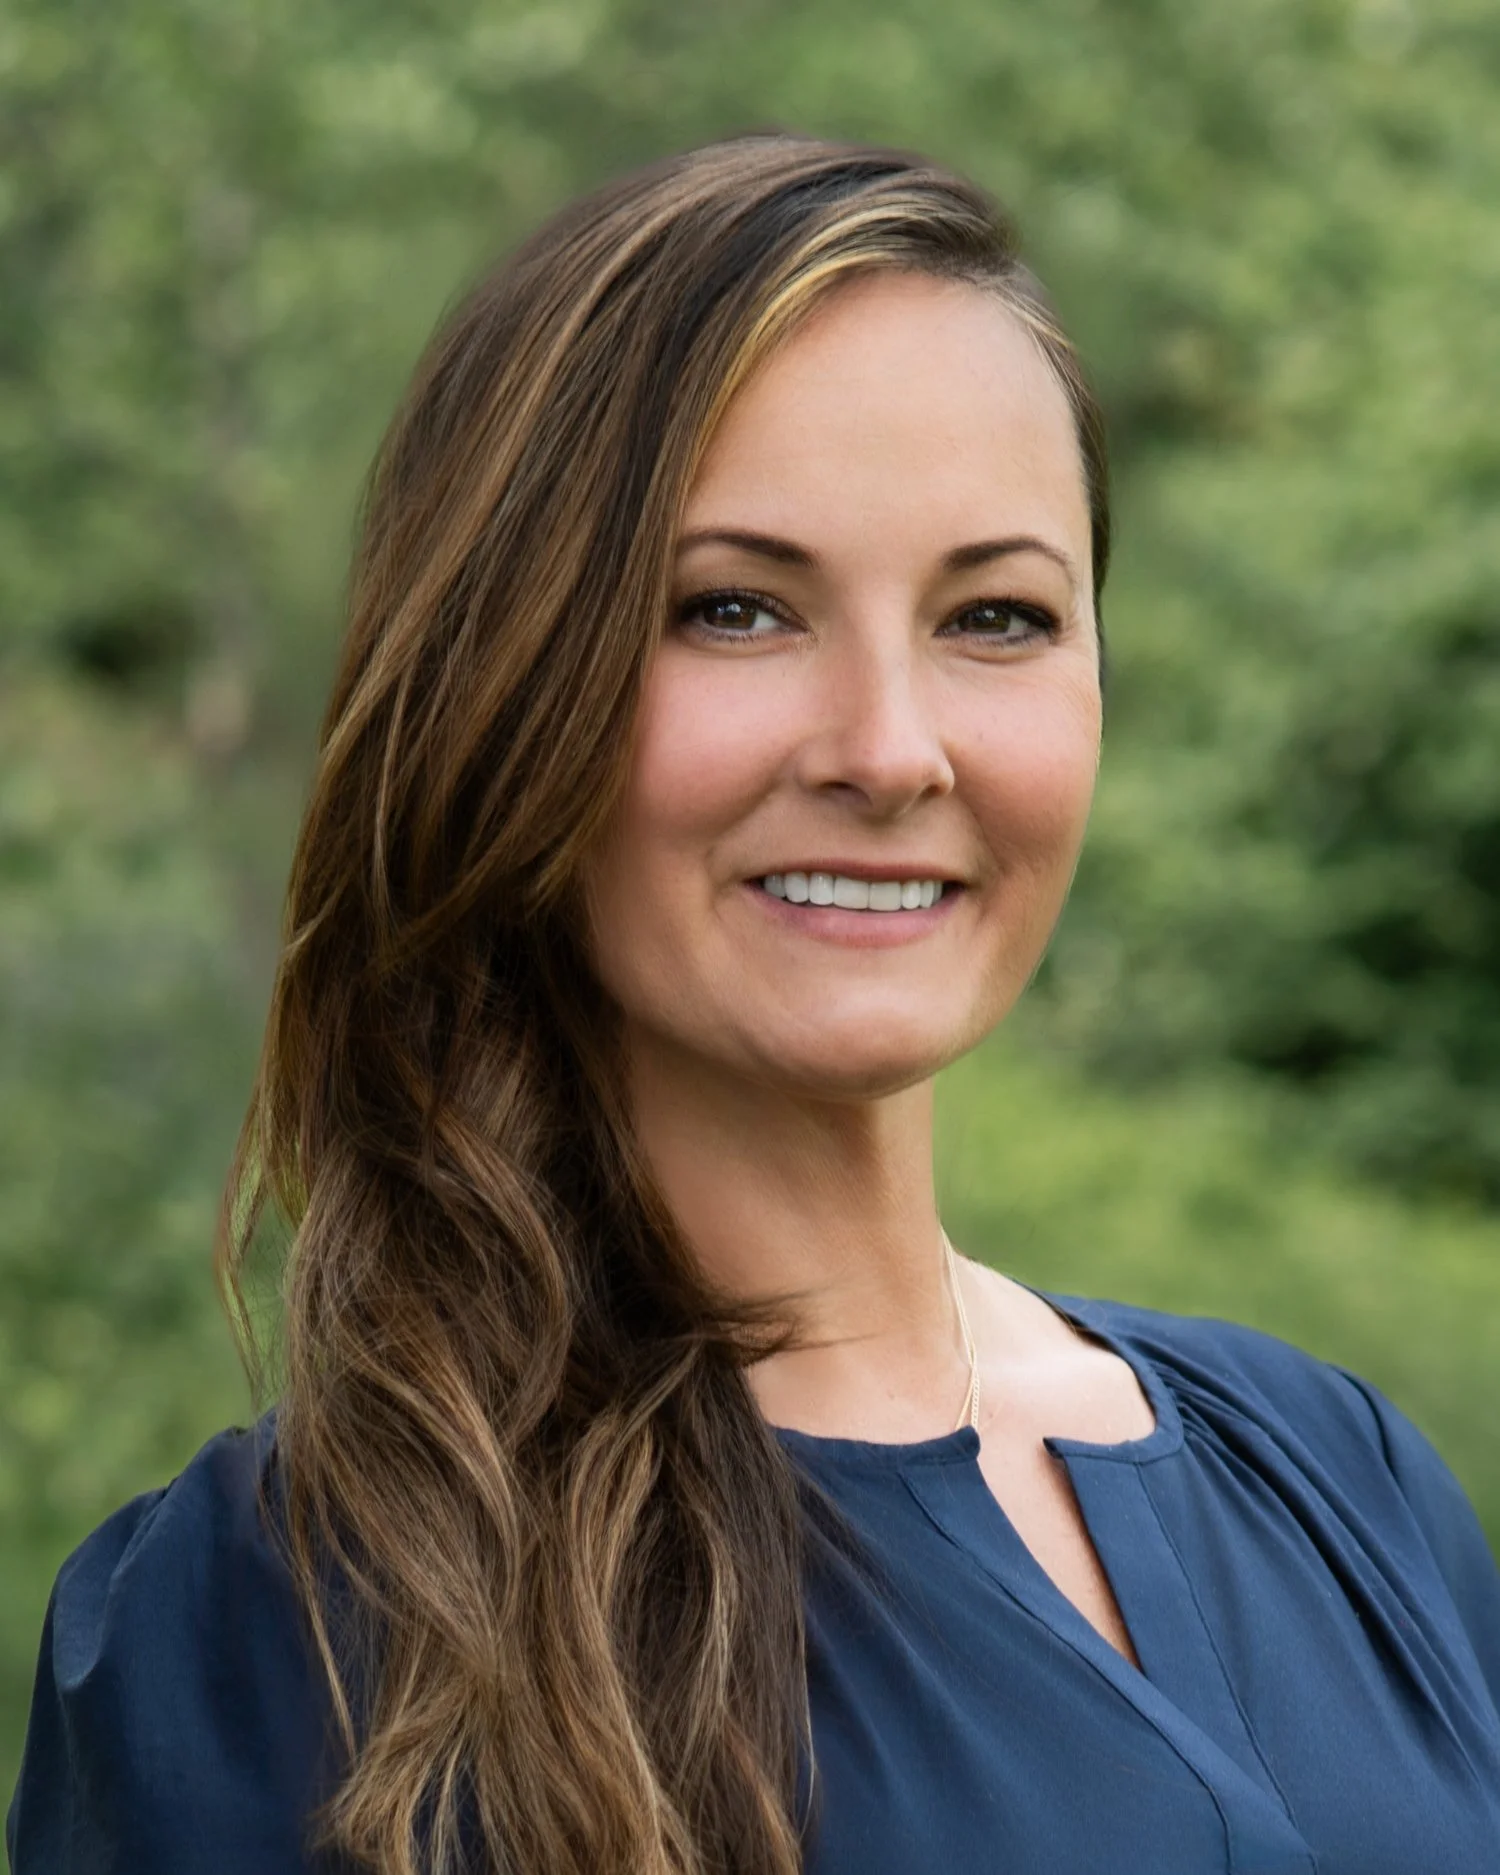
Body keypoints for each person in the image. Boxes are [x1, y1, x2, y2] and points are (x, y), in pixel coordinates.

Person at [8, 134, 1500, 1875]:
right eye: (736, 609)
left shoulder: (1338, 1477)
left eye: (999, 615)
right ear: (510, 686)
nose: (888, 746)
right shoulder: (302, 1616)